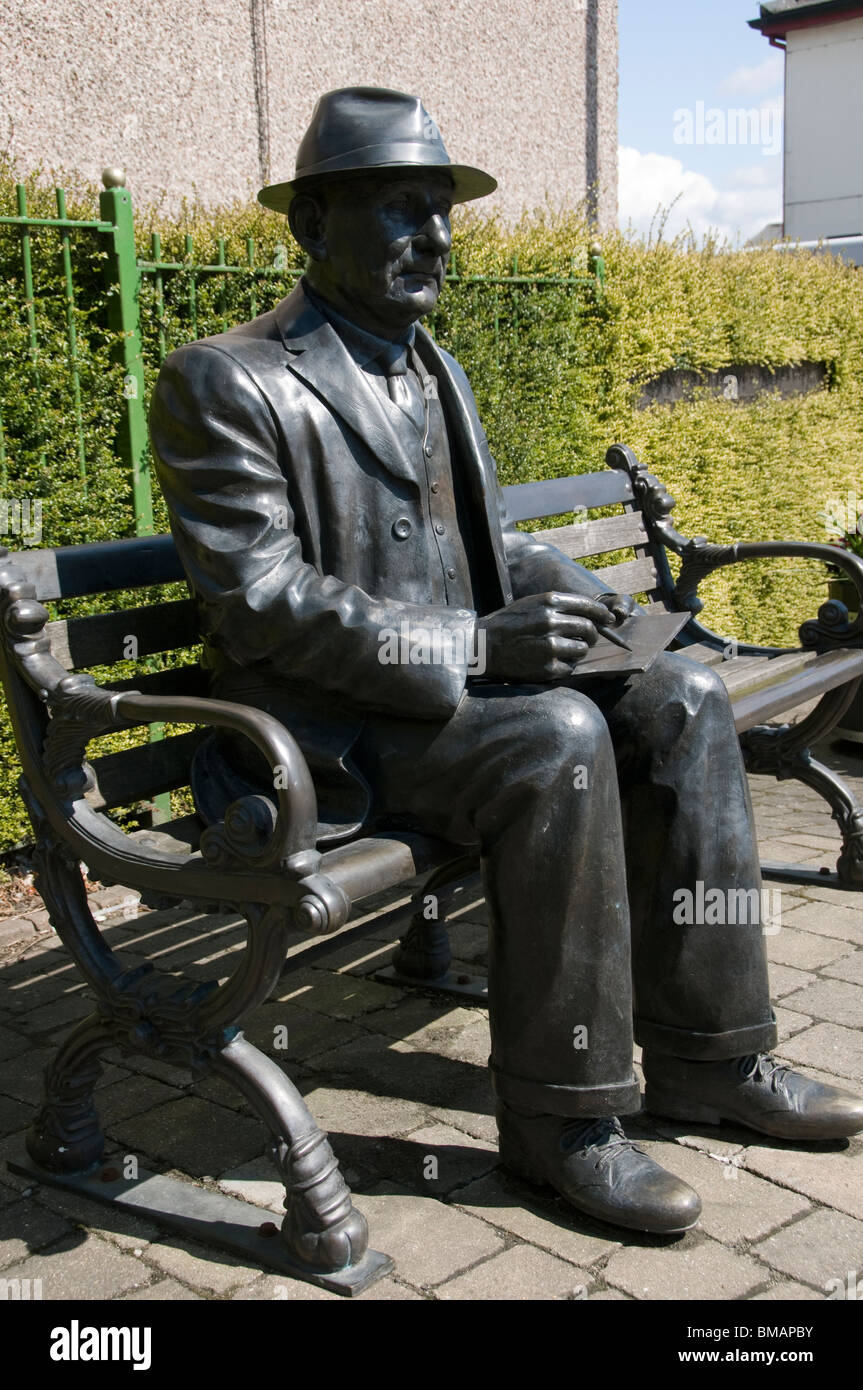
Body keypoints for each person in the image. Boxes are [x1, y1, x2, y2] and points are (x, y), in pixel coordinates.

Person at [149, 86, 863, 1235]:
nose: (433, 237)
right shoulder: (228, 379)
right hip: (319, 739)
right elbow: (259, 605)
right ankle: (558, 1119)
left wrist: (557, 586)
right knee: (556, 737)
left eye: (441, 210)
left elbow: (466, 545)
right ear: (311, 222)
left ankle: (710, 1057)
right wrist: (477, 642)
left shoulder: (434, 367)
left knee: (680, 694)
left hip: (439, 703)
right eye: (398, 210)